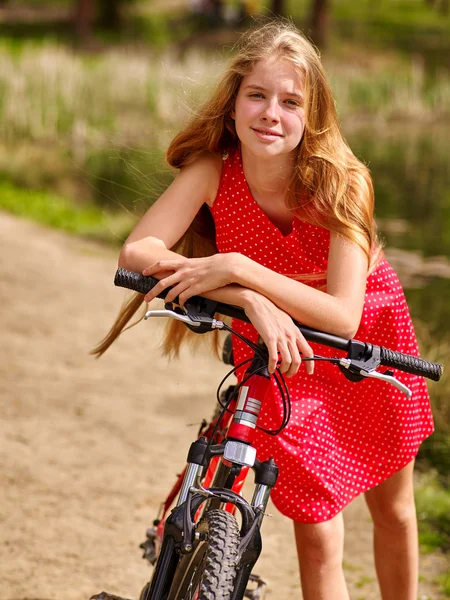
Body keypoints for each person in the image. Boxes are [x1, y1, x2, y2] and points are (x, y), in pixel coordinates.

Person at [94, 19, 434, 600]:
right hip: (282, 339)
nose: (270, 113)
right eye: (256, 95)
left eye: (290, 101)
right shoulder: (212, 172)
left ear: (312, 116)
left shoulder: (342, 183)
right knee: (317, 531)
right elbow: (139, 250)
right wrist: (247, 296)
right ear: (232, 108)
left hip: (366, 334)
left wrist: (241, 267)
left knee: (393, 508)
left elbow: (344, 315)